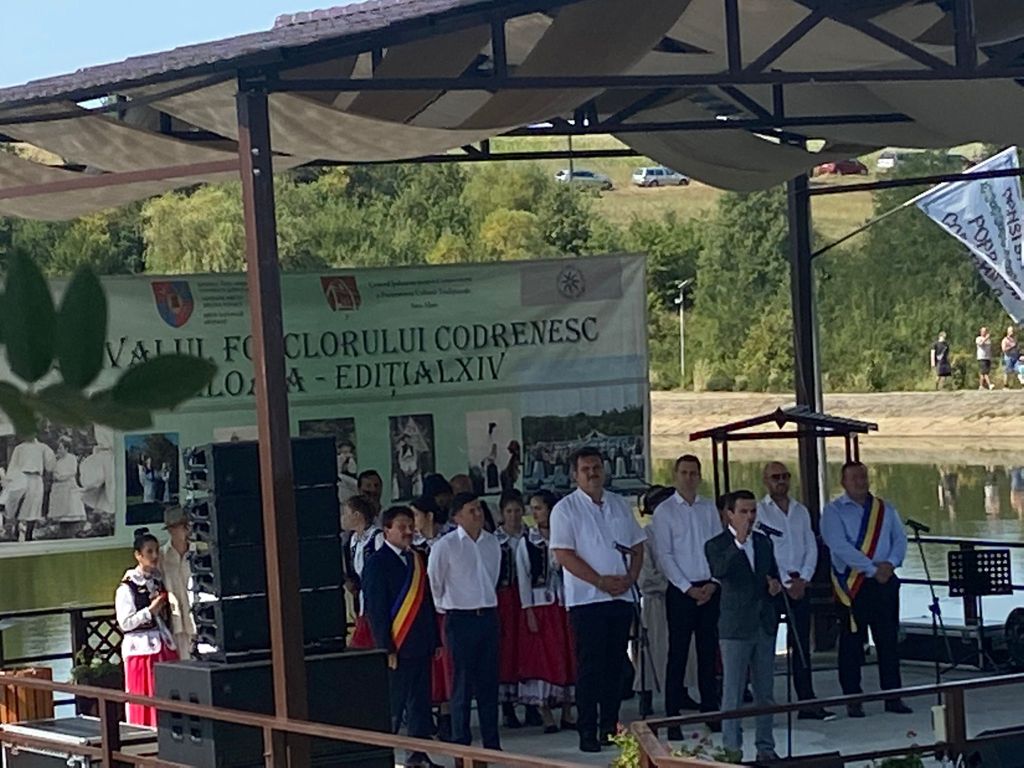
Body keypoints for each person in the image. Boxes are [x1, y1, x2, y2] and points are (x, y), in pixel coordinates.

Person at [550, 446, 644, 753]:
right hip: (587, 601)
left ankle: (610, 728)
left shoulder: (619, 504)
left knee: (616, 666)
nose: (592, 474)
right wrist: (600, 581)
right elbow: (564, 554)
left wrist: (630, 577)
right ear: (575, 474)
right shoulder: (565, 509)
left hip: (620, 597)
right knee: (590, 668)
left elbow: (637, 545)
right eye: (586, 469)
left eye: (596, 468)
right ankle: (587, 730)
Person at [821, 461, 912, 717]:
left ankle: (893, 696)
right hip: (853, 584)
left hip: (884, 583)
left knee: (888, 640)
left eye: (863, 476)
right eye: (854, 478)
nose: (860, 482)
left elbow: (899, 539)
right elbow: (838, 546)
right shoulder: (833, 511)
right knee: (852, 643)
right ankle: (853, 698)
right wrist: (872, 569)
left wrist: (891, 564)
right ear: (843, 482)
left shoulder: (885, 508)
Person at [362, 506, 443, 768]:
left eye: (410, 526)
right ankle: (381, 757)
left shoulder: (417, 558)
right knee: (394, 706)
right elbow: (376, 610)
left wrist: (436, 639)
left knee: (420, 704)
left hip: (420, 643)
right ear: (387, 530)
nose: (408, 531)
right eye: (401, 527)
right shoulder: (377, 562)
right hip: (397, 646)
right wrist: (386, 648)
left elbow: (427, 603)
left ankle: (418, 755)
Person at [705, 491, 782, 763]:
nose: (749, 517)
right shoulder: (717, 544)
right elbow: (720, 570)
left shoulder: (763, 542)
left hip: (763, 623)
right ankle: (732, 749)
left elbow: (770, 573)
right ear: (730, 514)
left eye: (753, 511)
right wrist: (738, 542)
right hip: (736, 626)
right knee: (733, 691)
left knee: (765, 692)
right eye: (743, 512)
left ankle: (766, 747)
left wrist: (773, 585)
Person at [649, 454, 723, 734]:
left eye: (694, 473)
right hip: (682, 590)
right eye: (684, 473)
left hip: (709, 588)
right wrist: (687, 588)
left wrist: (713, 582)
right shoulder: (665, 511)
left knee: (708, 653)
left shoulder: (708, 508)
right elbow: (665, 555)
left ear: (700, 476)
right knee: (678, 654)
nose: (689, 478)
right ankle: (673, 718)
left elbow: (718, 547)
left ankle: (711, 712)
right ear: (675, 476)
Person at [757, 462, 834, 720]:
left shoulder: (801, 511)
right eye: (775, 477)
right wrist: (782, 581)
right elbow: (763, 551)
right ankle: (764, 702)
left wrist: (804, 578)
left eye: (785, 476)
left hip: (800, 585)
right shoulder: (760, 512)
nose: (781, 481)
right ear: (766, 481)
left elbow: (811, 547)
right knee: (765, 645)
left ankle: (806, 701)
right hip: (773, 588)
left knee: (801, 646)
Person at [427, 492, 502, 750]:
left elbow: (493, 577)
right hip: (460, 618)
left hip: (487, 616)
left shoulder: (492, 542)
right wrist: (448, 605)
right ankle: (461, 742)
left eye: (479, 509)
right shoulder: (446, 545)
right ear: (457, 516)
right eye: (471, 510)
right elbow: (435, 582)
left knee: (489, 682)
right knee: (461, 683)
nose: (478, 514)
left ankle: (492, 742)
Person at [516, 490, 576, 733]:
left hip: (564, 603)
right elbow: (523, 578)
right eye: (532, 508)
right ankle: (546, 714)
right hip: (541, 606)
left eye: (539, 508)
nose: (534, 513)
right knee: (543, 658)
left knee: (568, 655)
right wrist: (528, 609)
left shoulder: (567, 536)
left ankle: (568, 712)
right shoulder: (527, 542)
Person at [116, 528, 178, 726]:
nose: (154, 556)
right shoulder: (127, 587)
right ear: (138, 555)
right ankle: (145, 731)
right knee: (144, 694)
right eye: (149, 552)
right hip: (140, 649)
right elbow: (125, 623)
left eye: (156, 551)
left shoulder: (158, 581)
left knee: (167, 692)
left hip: (162, 644)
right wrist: (150, 611)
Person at [411, 494, 454, 740]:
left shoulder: (447, 541)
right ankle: (426, 714)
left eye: (416, 515)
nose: (413, 521)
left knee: (445, 662)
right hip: (420, 610)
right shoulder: (413, 545)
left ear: (428, 516)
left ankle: (447, 713)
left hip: (443, 608)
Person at [344, 495, 384, 649]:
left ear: (357, 515)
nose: (343, 518)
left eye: (346, 513)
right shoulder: (353, 539)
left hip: (376, 596)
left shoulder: (377, 537)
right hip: (362, 596)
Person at [160, 505, 196, 658]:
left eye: (187, 525)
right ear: (170, 530)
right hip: (176, 619)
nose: (186, 530)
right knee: (183, 662)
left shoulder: (198, 551)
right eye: (181, 526)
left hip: (199, 616)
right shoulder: (161, 556)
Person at [6, 437, 57, 542]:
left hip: (36, 477)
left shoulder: (43, 447)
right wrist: (10, 481)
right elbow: (13, 465)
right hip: (22, 476)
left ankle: (29, 532)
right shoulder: (19, 448)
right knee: (20, 504)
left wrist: (53, 459)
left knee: (35, 506)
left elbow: (50, 465)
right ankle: (17, 530)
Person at [49, 436, 86, 537]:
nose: (58, 451)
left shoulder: (71, 458)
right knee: (61, 518)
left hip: (69, 488)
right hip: (59, 489)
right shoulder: (57, 460)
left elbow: (72, 472)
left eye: (61, 448)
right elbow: (53, 472)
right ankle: (63, 534)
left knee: (70, 514)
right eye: (58, 448)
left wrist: (61, 477)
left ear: (66, 448)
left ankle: (72, 534)